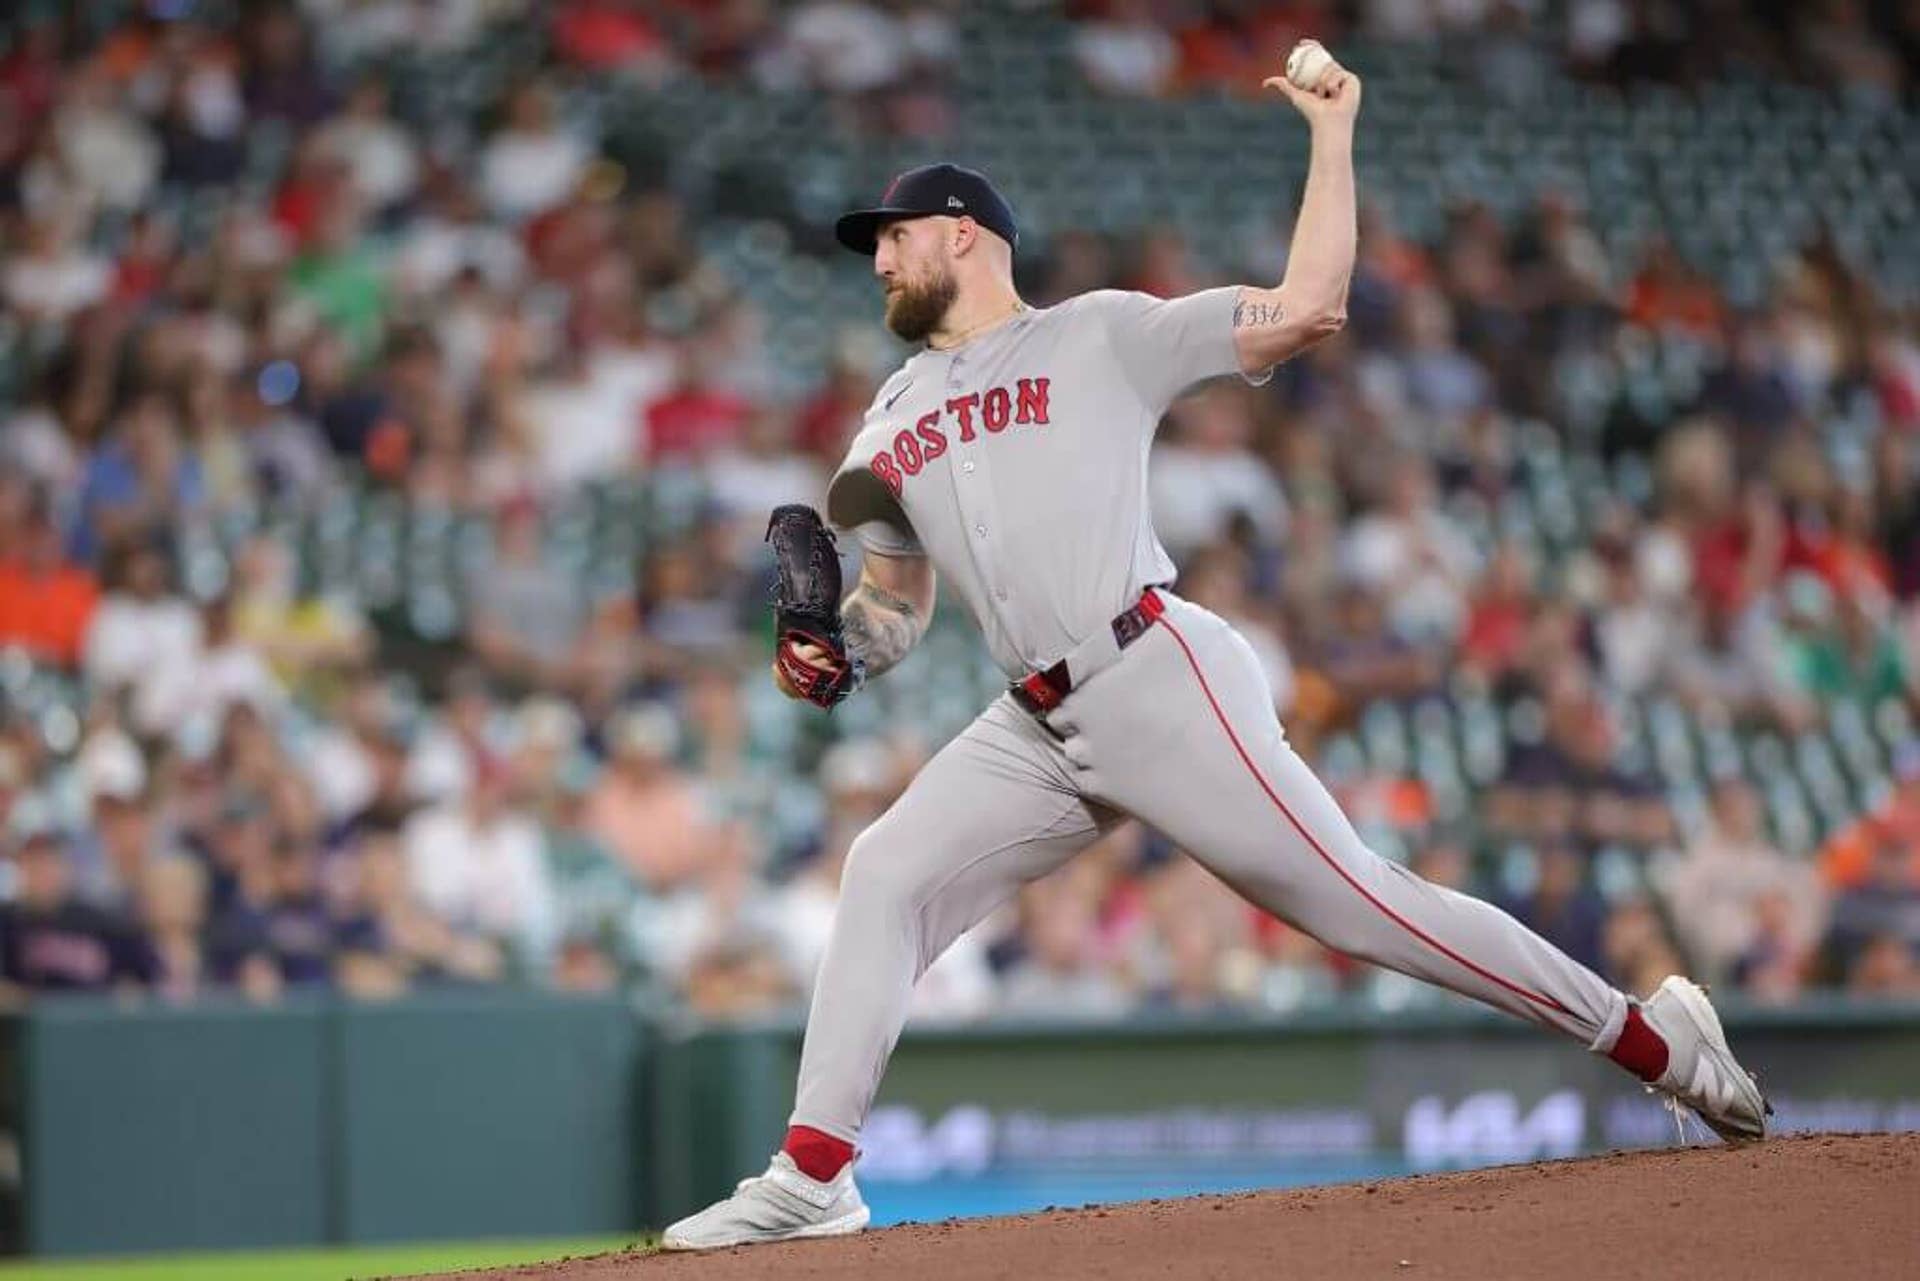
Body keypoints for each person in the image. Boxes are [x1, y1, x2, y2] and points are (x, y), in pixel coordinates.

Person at [663, 45, 1767, 1253]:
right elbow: (896, 607)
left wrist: (1333, 135)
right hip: (1033, 724)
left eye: (895, 236)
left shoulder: (1100, 335)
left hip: (1153, 670)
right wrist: (837, 654)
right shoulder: (887, 418)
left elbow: (1308, 311)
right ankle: (816, 1176)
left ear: (965, 233)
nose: (877, 258)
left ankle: (1658, 1040)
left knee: (1363, 911)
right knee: (883, 874)